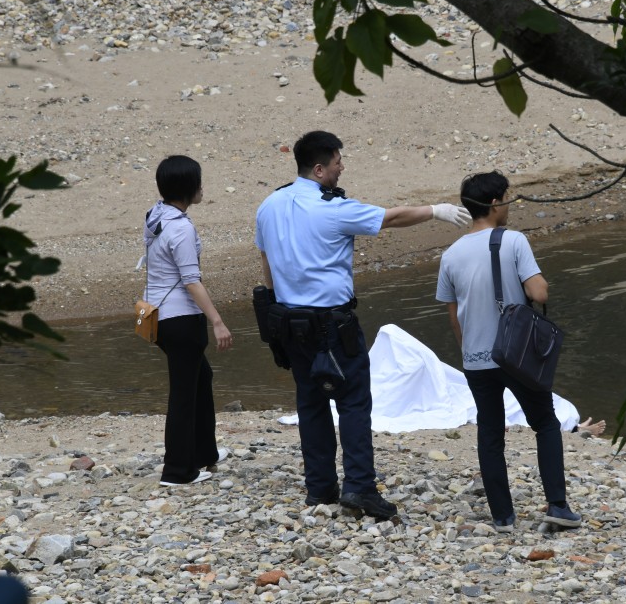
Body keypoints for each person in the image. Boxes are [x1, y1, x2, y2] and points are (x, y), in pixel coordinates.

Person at [255, 130, 471, 521]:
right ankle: (360, 488)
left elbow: (267, 262)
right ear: (319, 169)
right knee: (353, 402)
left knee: (311, 404)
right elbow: (390, 218)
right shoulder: (332, 208)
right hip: (332, 325)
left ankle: (319, 489)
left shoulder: (269, 205)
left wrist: (274, 309)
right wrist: (436, 210)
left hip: (289, 324)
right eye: (338, 160)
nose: (342, 166)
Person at [435, 170, 582, 533]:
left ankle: (502, 516)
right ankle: (558, 507)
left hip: (476, 359)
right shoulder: (513, 241)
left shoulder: (450, 255)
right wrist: (538, 280)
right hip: (516, 356)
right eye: (507, 198)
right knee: (544, 423)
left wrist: (471, 353)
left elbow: (454, 316)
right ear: (496, 202)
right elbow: (539, 294)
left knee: (490, 433)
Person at [143, 155, 233, 487]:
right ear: (187, 188)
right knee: (183, 393)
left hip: (157, 318)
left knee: (200, 378)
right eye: (198, 181)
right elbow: (191, 280)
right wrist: (217, 321)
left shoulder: (155, 215)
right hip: (180, 319)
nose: (202, 187)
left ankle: (204, 453)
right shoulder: (180, 227)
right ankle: (177, 472)